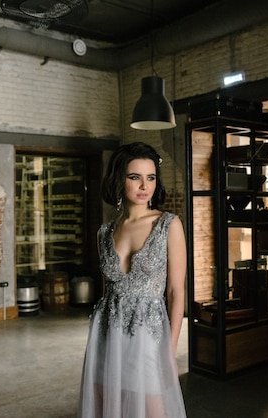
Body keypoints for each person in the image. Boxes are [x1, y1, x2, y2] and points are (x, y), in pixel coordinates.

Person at [78, 142, 187, 418]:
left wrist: (169, 352)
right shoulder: (104, 232)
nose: (144, 186)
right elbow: (108, 291)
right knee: (107, 406)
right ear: (119, 179)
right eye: (134, 177)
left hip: (148, 335)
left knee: (153, 410)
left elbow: (176, 291)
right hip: (106, 334)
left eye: (150, 178)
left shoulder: (168, 225)